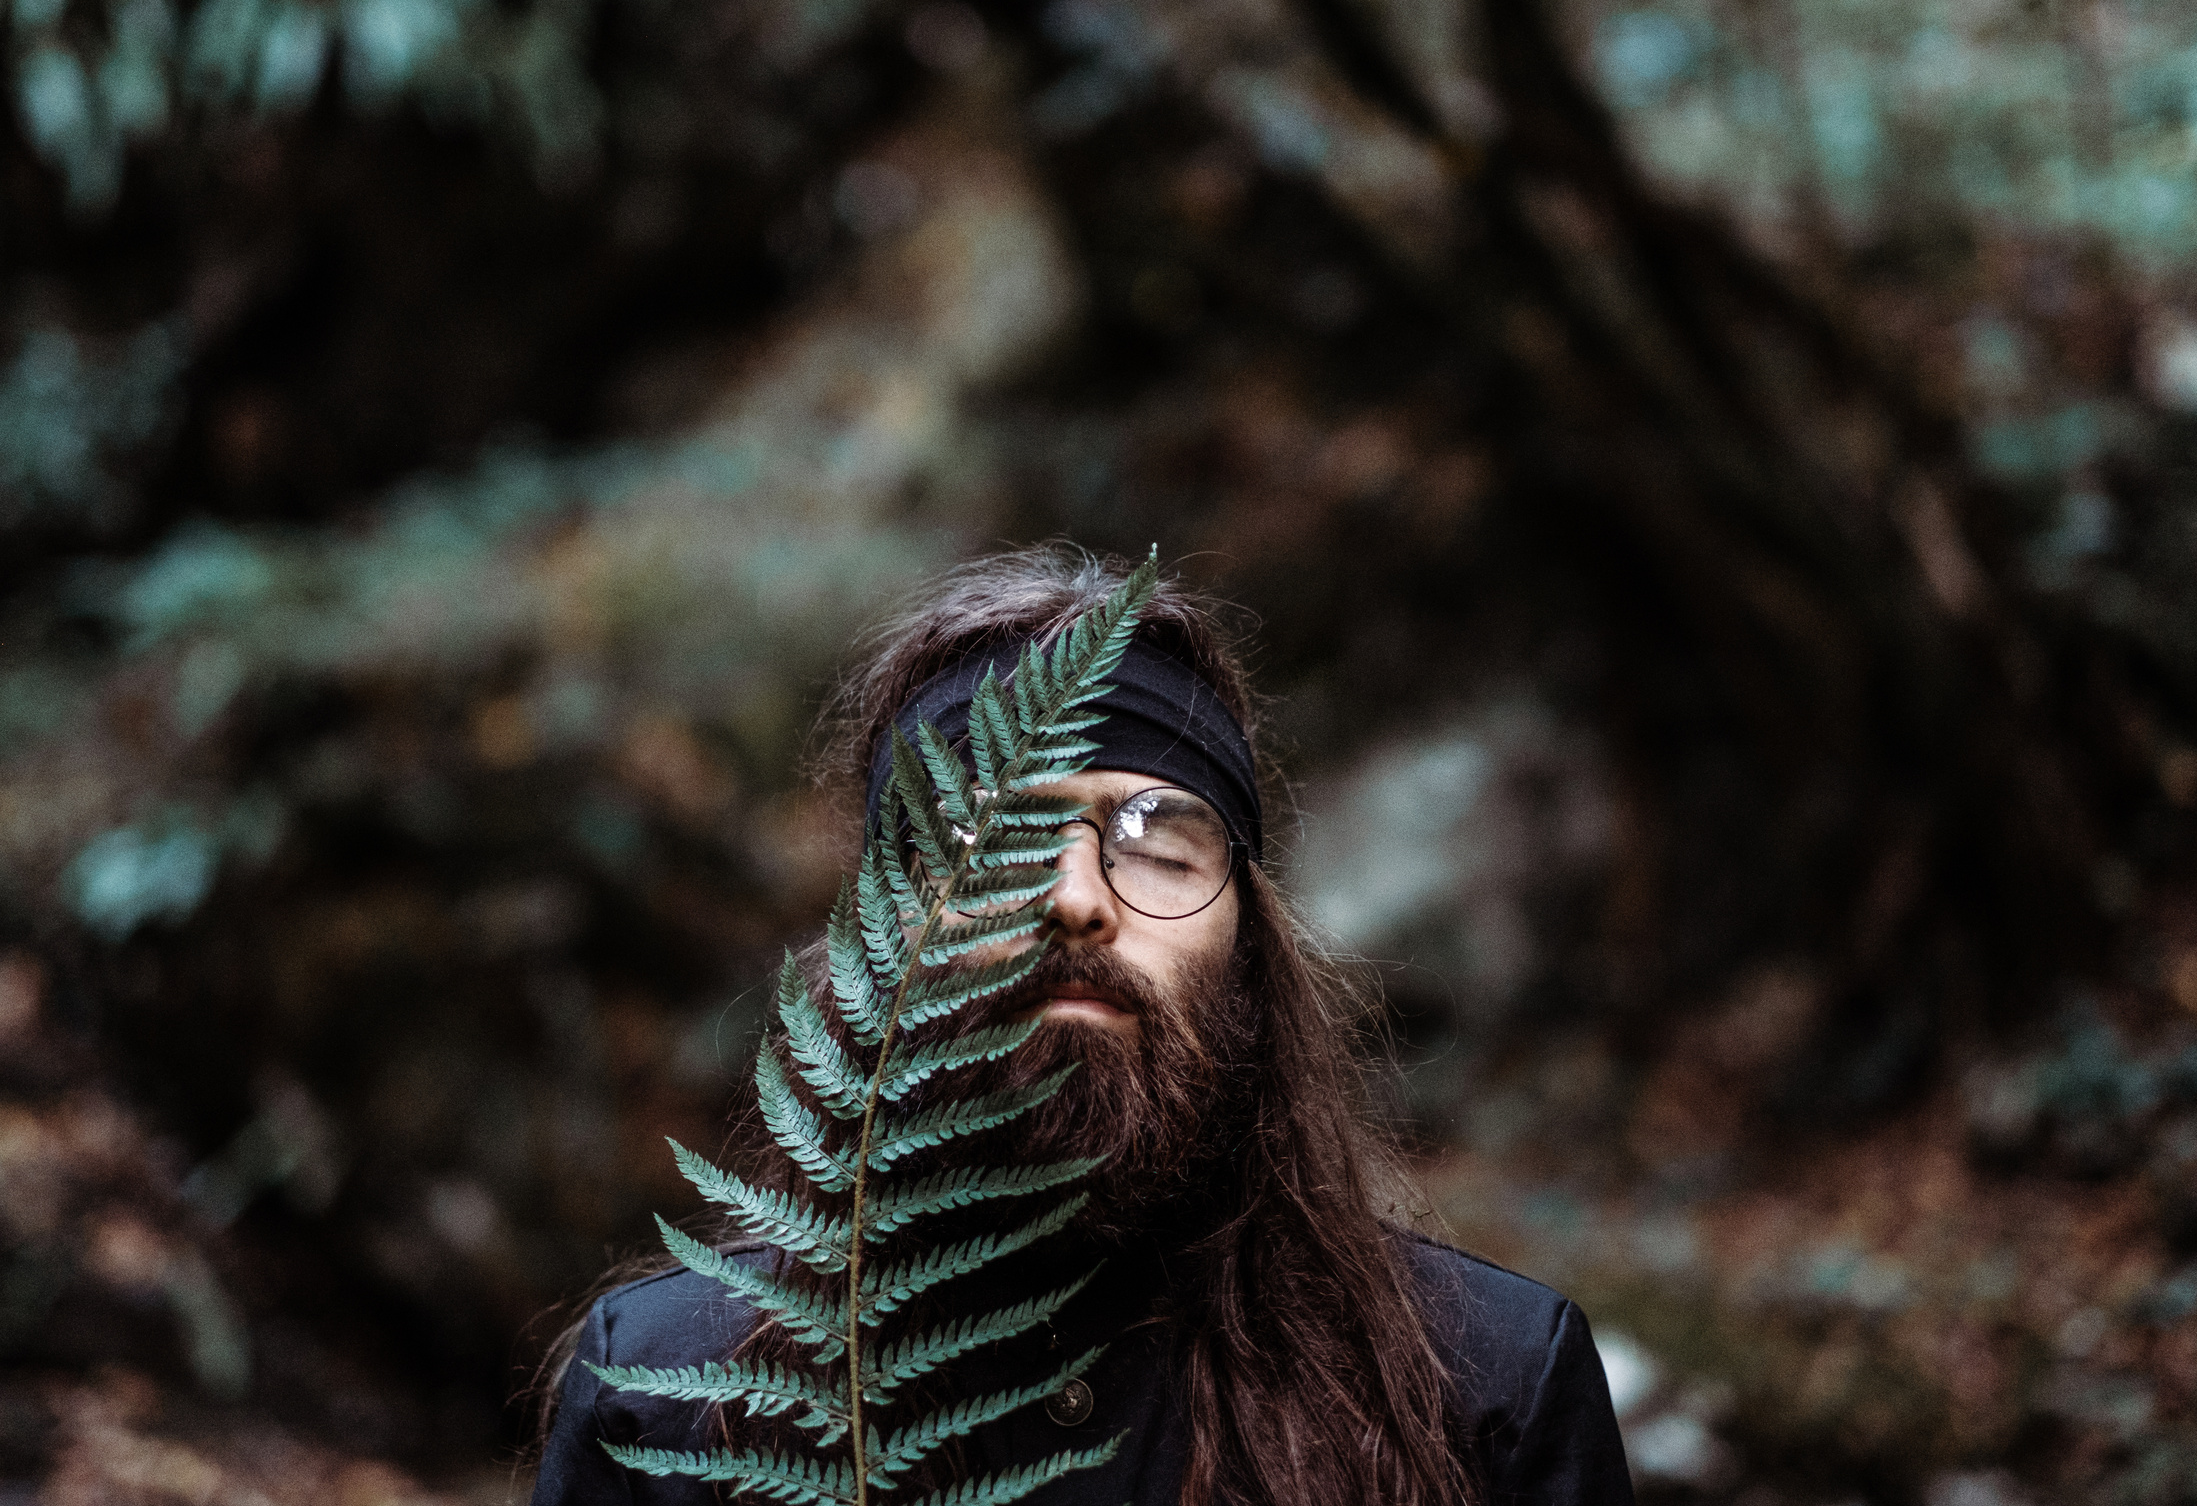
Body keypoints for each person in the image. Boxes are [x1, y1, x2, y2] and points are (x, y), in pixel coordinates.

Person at [532, 547, 1632, 1506]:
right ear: (881, 931)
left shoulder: (1484, 1394)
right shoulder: (669, 1402)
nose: (1074, 897)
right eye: (993, 837)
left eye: (1157, 843)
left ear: (1250, 943)